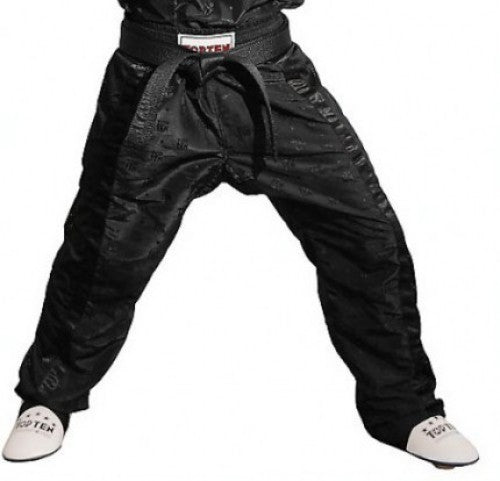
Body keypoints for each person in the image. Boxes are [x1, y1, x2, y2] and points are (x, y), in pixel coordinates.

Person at [2, 0, 479, 468]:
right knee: (104, 252)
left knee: (366, 236)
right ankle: (49, 397)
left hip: (267, 75)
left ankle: (406, 409)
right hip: (154, 79)